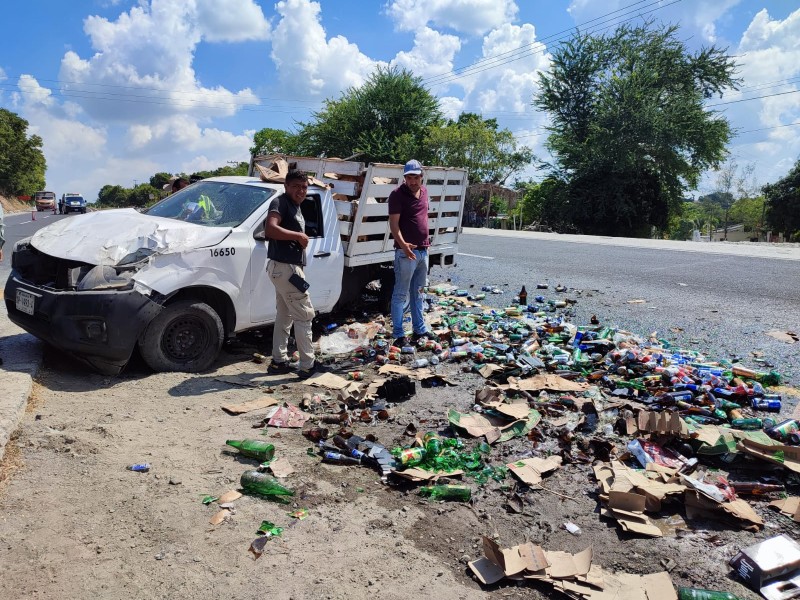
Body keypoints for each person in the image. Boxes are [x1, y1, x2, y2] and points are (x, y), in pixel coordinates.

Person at [263, 170, 319, 378]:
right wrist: (298, 236)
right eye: (296, 186)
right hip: (286, 269)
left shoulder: (295, 206)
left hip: (283, 269)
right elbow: (270, 229)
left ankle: (279, 361)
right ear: (286, 186)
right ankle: (307, 364)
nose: (301, 191)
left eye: (304, 187)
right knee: (304, 315)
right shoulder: (280, 203)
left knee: (284, 315)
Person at [388, 159, 437, 347]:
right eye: (409, 177)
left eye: (415, 177)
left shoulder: (424, 192)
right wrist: (403, 245)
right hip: (405, 252)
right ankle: (399, 334)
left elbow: (423, 218)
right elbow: (394, 225)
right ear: (405, 178)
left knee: (418, 292)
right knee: (400, 294)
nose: (413, 181)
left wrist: (426, 244)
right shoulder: (397, 195)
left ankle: (420, 329)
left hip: (423, 251)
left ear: (421, 177)